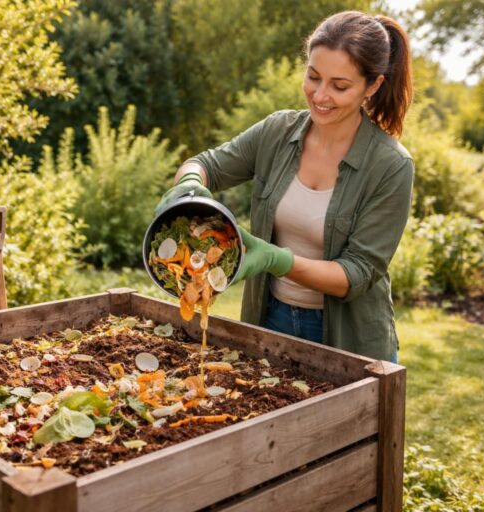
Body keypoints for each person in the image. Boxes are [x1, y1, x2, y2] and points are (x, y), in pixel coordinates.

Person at [155, 11, 414, 363]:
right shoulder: (277, 132)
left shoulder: (391, 165)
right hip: (271, 319)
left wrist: (277, 260)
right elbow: (208, 165)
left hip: (349, 338)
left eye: (340, 86)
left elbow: (357, 273)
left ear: (373, 86)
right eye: (313, 77)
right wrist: (188, 181)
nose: (320, 95)